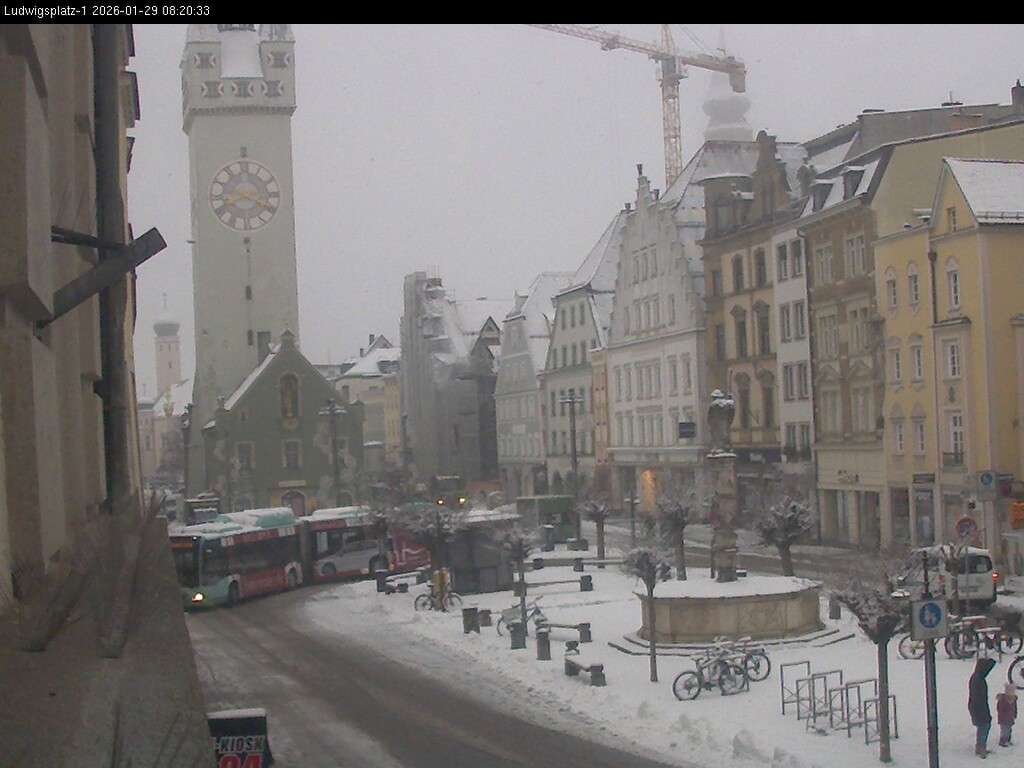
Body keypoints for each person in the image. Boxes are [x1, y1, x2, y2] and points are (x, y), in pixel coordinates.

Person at [969, 656, 997, 757]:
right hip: (979, 707)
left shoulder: (977, 677)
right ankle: (981, 747)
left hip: (977, 706)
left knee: (983, 726)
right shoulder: (978, 679)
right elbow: (978, 697)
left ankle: (980, 746)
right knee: (984, 726)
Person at [997, 682, 1018, 747]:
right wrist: (1004, 713)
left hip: (1010, 718)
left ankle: (1008, 739)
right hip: (1003, 718)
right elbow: (999, 709)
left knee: (1009, 729)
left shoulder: (1014, 700)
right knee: (1004, 730)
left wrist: (1015, 714)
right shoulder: (1002, 700)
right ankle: (1002, 741)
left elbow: (1015, 708)